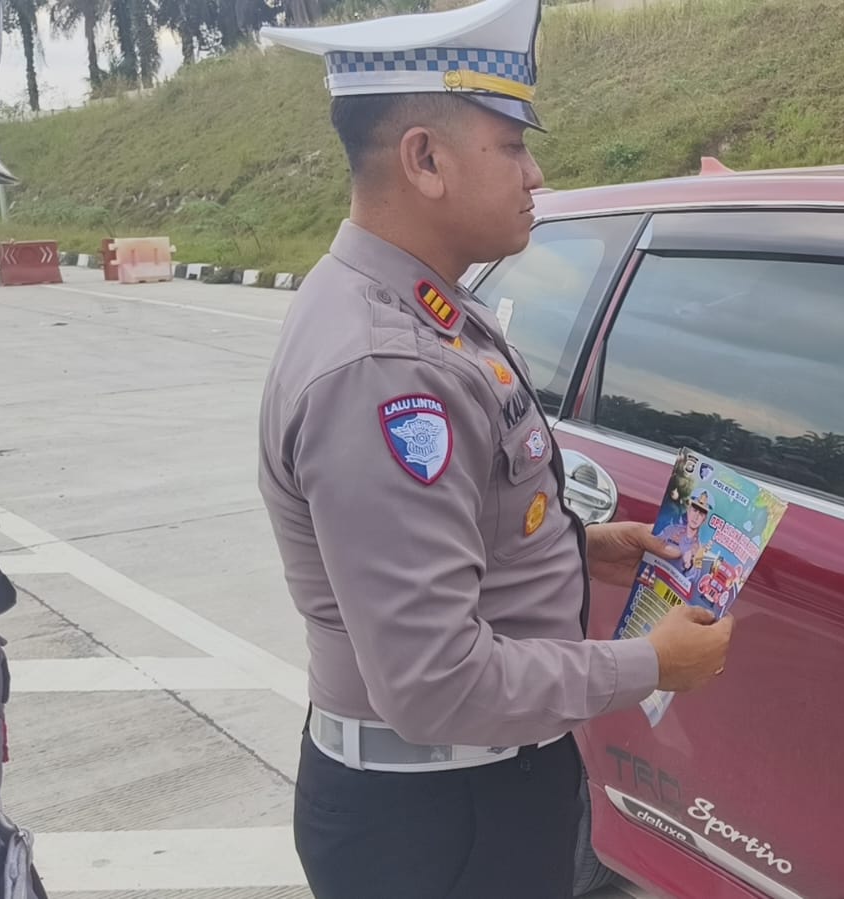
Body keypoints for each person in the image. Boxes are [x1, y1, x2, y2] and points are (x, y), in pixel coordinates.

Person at [254, 2, 733, 896]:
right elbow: (433, 682)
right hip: (441, 820)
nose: (535, 173)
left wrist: (577, 545)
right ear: (424, 160)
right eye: (511, 146)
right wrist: (652, 664)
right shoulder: (387, 370)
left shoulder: (423, 305)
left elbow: (454, 521)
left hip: (466, 792)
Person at [658, 489, 712, 587]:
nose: (696, 517)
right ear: (688, 510)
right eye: (694, 510)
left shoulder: (699, 549)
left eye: (701, 514)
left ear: (704, 520)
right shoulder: (671, 530)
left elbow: (695, 578)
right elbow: (654, 544)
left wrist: (689, 565)